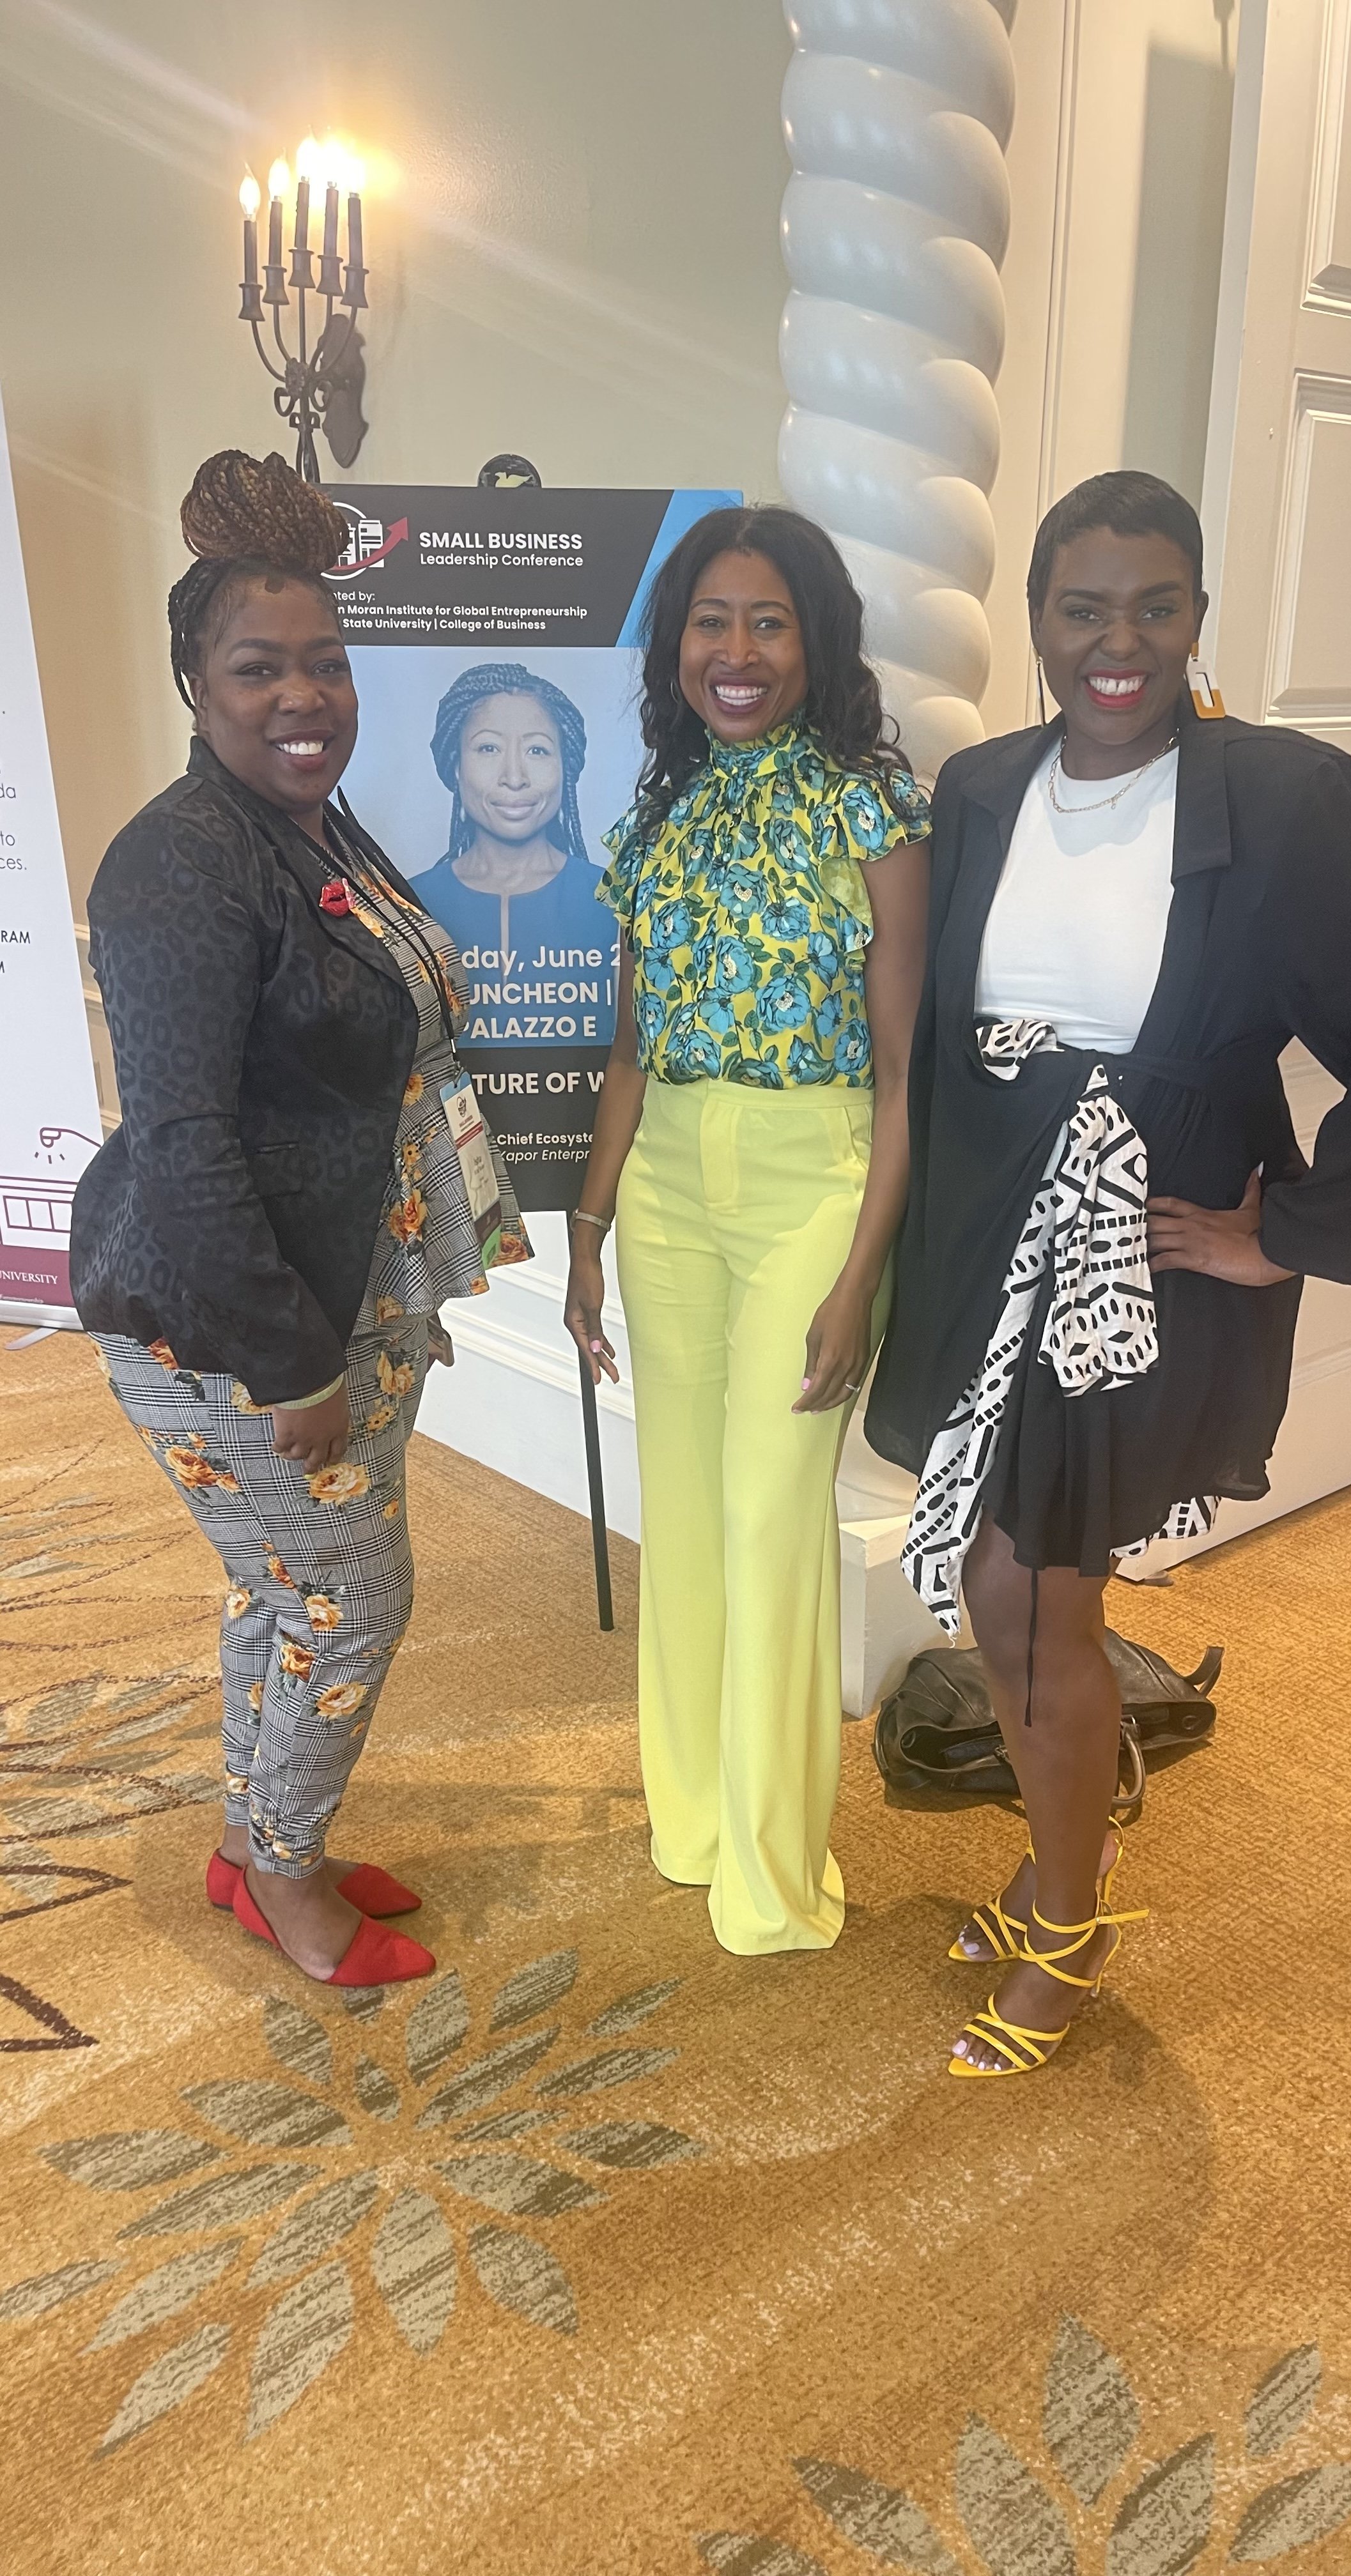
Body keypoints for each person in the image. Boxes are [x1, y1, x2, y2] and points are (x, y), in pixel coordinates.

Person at [867, 468, 1351, 2076]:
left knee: (1039, 1600)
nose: (1117, 643)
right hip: (988, 1231)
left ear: (1198, 616)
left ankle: (1067, 1924)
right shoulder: (980, 787)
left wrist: (1297, 1233)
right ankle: (1069, 1850)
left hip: (1136, 1248)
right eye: (1081, 609)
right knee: (1003, 1584)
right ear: (1038, 624)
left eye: (1156, 606)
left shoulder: (1285, 794)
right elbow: (935, 1035)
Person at [70, 450, 529, 1989]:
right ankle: (285, 1880)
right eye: (259, 667)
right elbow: (187, 1145)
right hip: (238, 1326)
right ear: (194, 677)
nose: (302, 696)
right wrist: (286, 1367)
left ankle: (256, 1840)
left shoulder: (310, 826)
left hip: (349, 1286)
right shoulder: (179, 867)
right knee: (351, 1601)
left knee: (291, 1588)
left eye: (325, 663)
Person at [564, 504, 932, 1954]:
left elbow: (908, 1075)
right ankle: (694, 1820)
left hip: (812, 1178)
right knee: (688, 1510)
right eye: (709, 622)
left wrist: (863, 1271)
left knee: (775, 1519)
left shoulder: (872, 812)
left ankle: (774, 1882)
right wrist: (587, 1224)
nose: (736, 651)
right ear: (674, 649)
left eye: (767, 622)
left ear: (815, 641)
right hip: (662, 1186)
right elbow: (630, 1053)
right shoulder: (655, 815)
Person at [410, 662, 598, 966]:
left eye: (537, 750)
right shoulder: (411, 906)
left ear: (566, 766)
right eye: (488, 748)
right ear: (457, 766)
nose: (514, 777)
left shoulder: (612, 902)